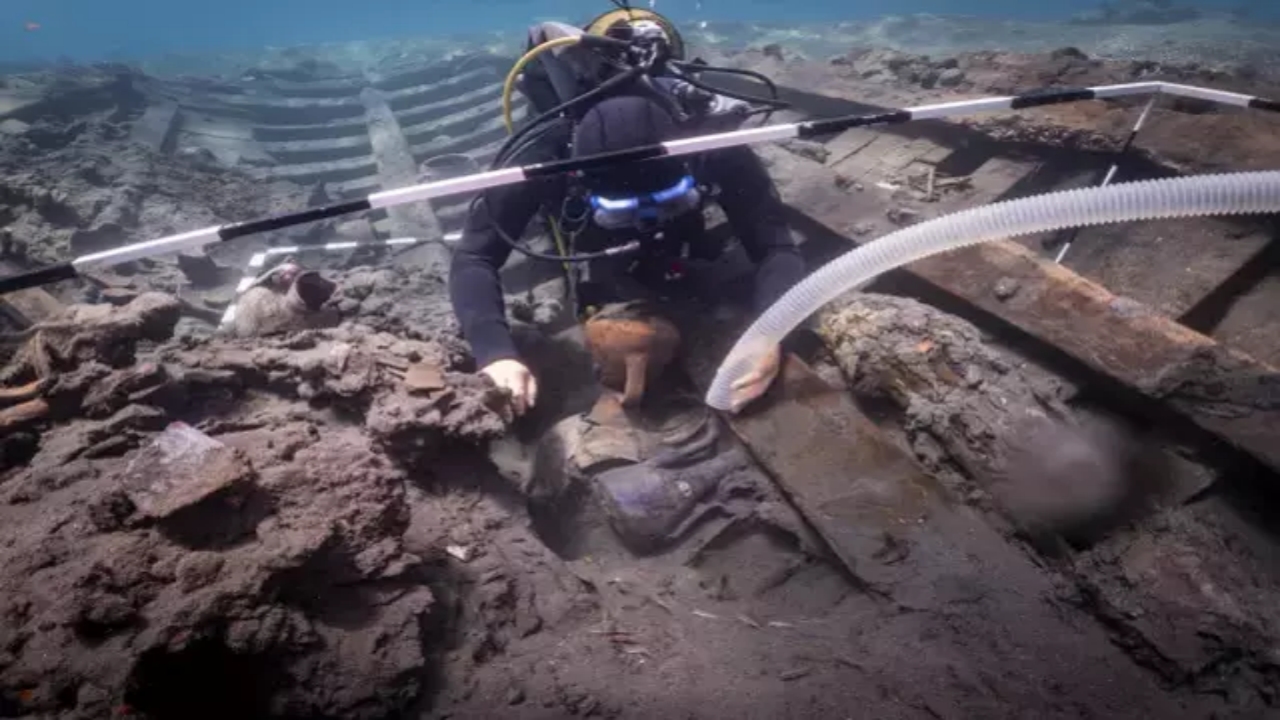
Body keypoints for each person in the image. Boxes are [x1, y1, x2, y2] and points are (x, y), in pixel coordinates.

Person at [448, 15, 806, 417]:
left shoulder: (710, 146)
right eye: (622, 212)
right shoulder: (546, 158)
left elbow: (775, 246)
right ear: (580, 180)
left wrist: (770, 333)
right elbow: (475, 257)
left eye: (669, 200)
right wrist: (495, 353)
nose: (646, 219)